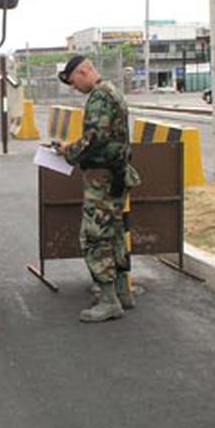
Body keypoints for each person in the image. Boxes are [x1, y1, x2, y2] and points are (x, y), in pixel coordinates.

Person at [53, 56, 141, 323]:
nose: (73, 87)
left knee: (93, 237)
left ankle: (108, 300)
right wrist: (72, 147)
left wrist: (70, 154)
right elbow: (103, 137)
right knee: (113, 233)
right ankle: (122, 292)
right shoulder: (112, 91)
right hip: (114, 174)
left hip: (101, 179)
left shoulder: (100, 97)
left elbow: (95, 139)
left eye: (73, 82)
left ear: (82, 72)